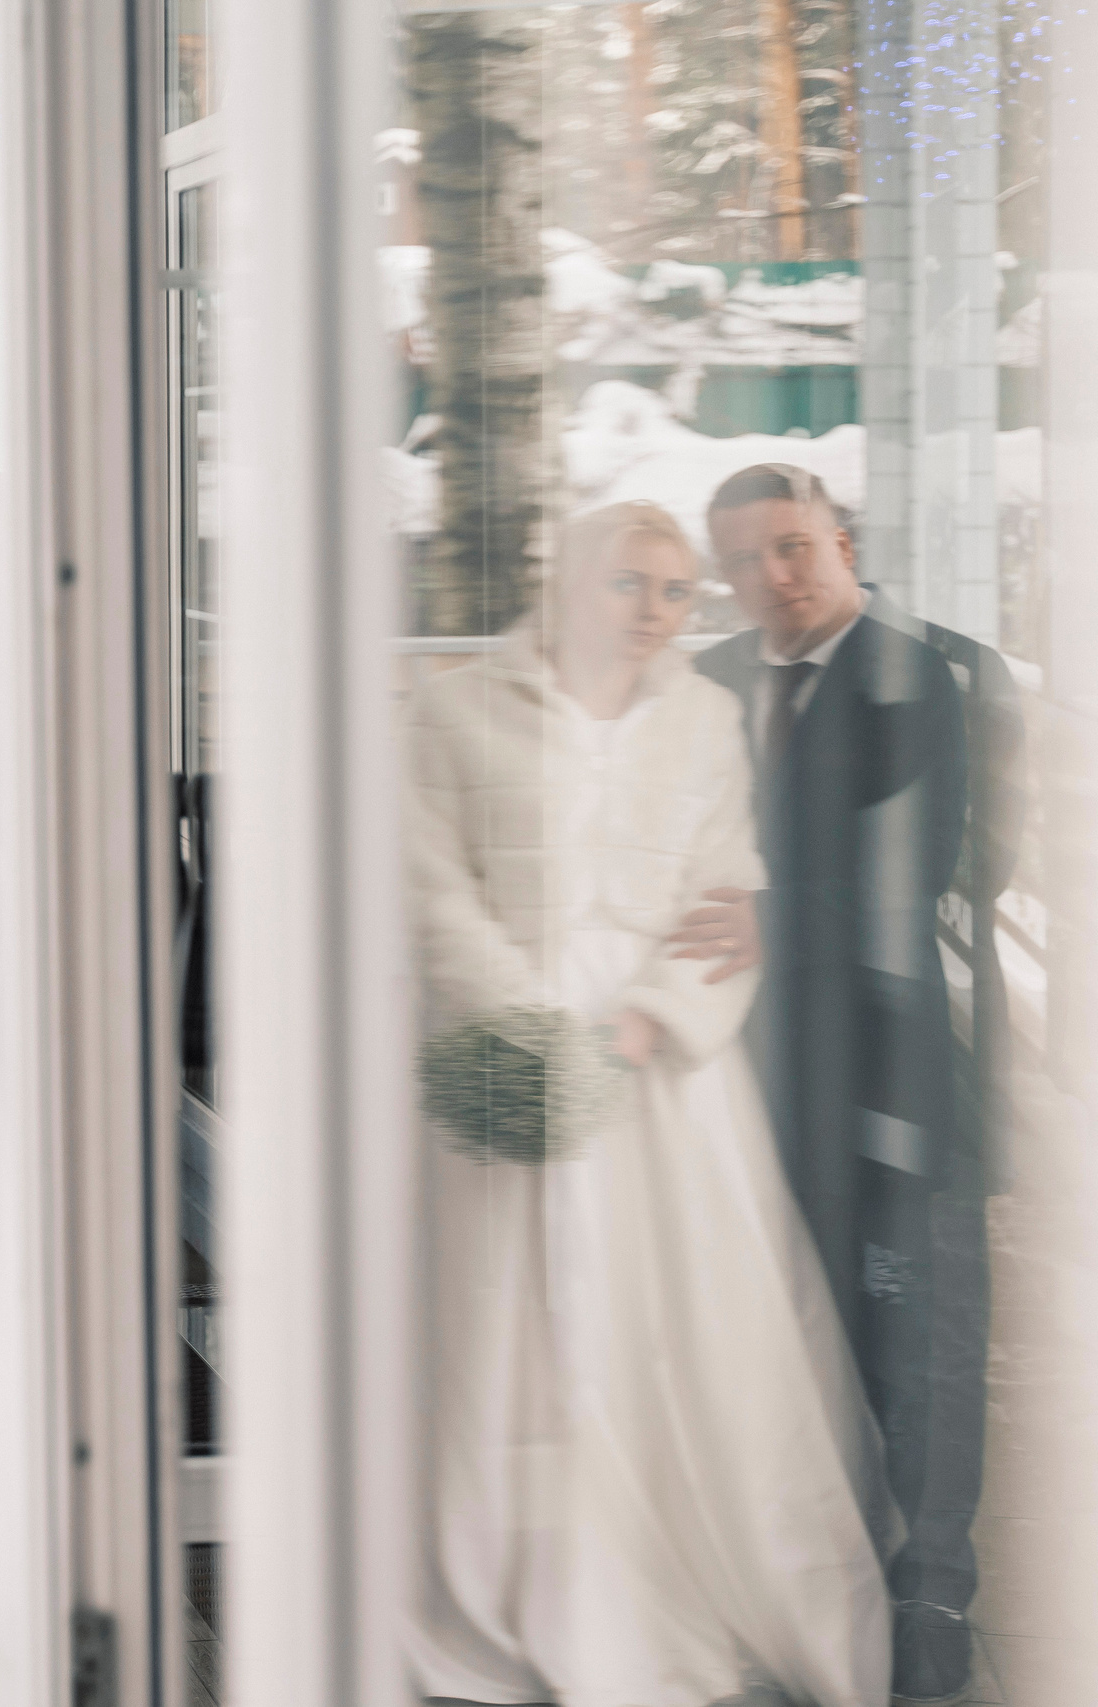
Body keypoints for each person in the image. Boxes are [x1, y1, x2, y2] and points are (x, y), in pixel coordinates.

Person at [406, 502, 889, 1706]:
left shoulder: (705, 716)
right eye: (630, 584)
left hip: (664, 1074)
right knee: (505, 1324)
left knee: (684, 1320)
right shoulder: (451, 710)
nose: (656, 614)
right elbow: (424, 888)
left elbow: (727, 892)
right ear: (567, 580)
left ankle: (692, 1576)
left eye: (677, 593)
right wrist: (533, 1033)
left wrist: (637, 1027)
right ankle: (510, 1587)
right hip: (503, 1047)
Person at [683, 464, 992, 1707]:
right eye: (745, 562)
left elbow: (922, 872)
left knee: (915, 1346)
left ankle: (929, 1600)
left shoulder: (930, 672)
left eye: (793, 549)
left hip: (885, 1068)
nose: (772, 580)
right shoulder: (703, 685)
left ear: (843, 539)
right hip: (744, 1081)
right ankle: (806, 1584)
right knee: (786, 1338)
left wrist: (767, 917)